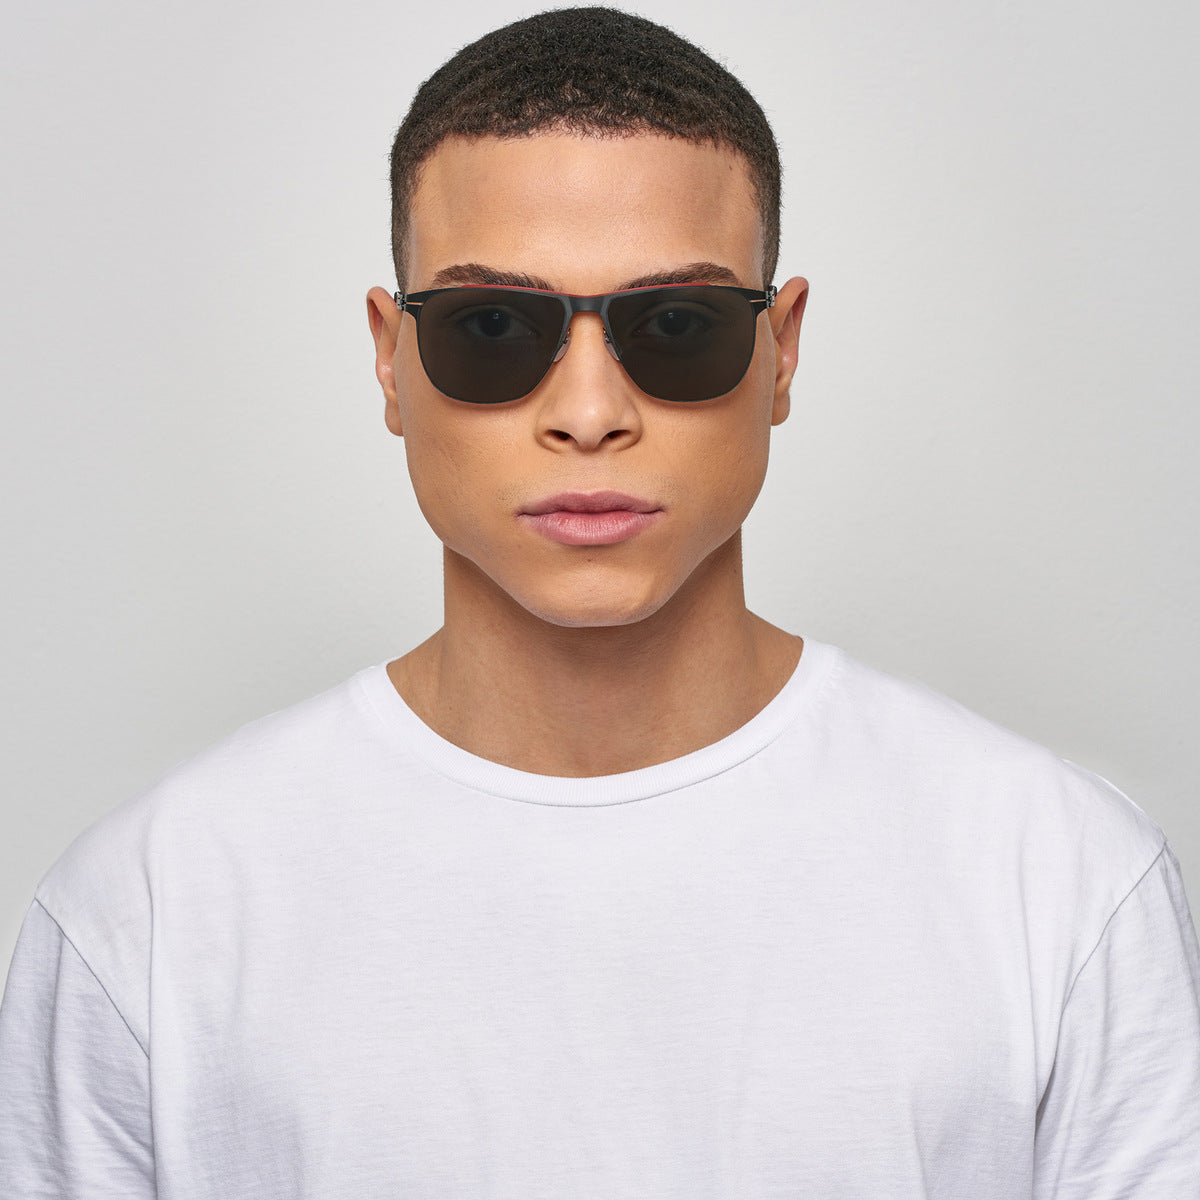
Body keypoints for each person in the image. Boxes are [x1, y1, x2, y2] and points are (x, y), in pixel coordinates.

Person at [1, 6, 1198, 1195]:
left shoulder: (1057, 878)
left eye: (675, 326)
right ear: (389, 359)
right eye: (490, 327)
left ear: (781, 351)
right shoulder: (152, 910)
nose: (588, 413)